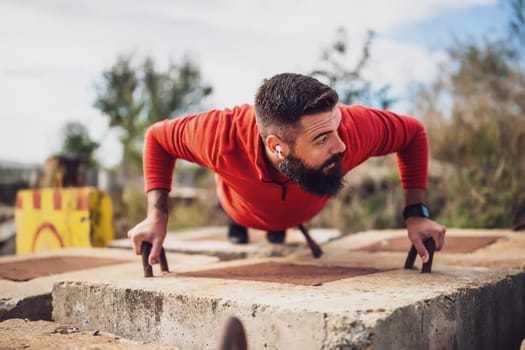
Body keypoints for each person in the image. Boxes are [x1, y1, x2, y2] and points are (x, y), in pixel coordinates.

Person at [128, 72, 446, 266]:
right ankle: (243, 223)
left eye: (336, 128)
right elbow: (157, 137)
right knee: (241, 208)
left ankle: (281, 224)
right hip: (241, 207)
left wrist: (415, 212)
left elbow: (413, 133)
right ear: (277, 145)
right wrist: (157, 217)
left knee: (305, 182)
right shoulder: (219, 136)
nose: (341, 147)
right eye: (322, 138)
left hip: (304, 208)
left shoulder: (350, 131)